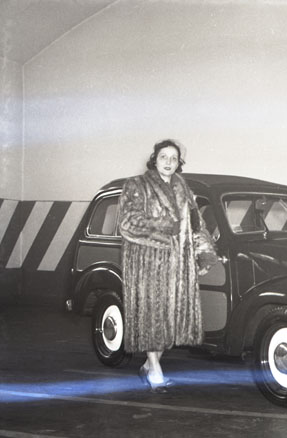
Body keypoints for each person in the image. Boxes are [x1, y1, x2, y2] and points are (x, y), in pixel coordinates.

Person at [118, 139, 218, 393]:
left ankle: (149, 365)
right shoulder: (136, 185)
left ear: (179, 163)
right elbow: (127, 223)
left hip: (180, 267)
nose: (169, 162)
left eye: (174, 158)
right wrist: (161, 226)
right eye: (164, 157)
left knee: (170, 321)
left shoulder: (184, 189)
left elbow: (197, 225)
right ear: (154, 159)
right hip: (148, 265)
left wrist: (205, 254)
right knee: (153, 318)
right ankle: (155, 371)